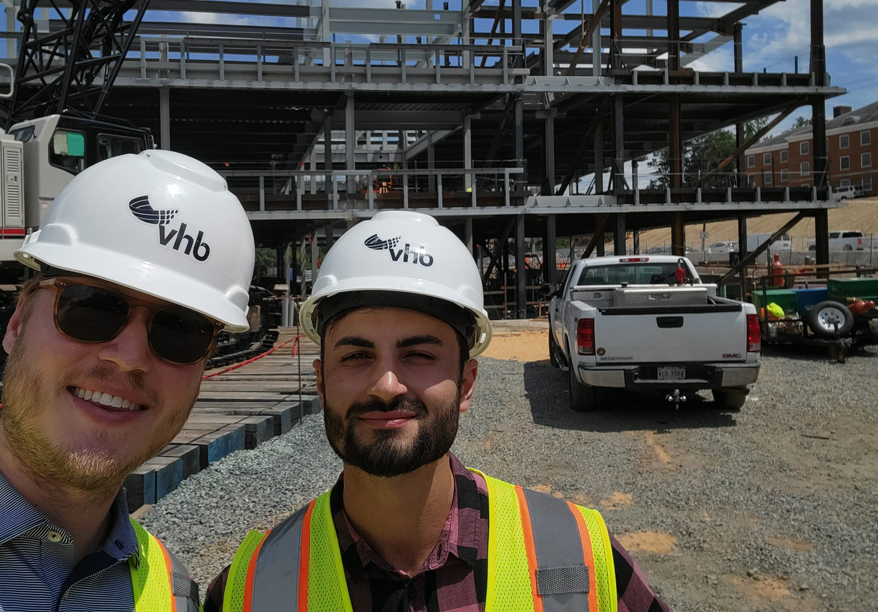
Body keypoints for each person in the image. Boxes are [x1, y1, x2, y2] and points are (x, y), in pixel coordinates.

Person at [203, 210, 670, 612]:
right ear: (321, 384)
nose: (386, 385)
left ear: (466, 384)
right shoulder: (247, 592)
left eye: (419, 355)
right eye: (356, 356)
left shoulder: (582, 555)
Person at [0, 150, 255, 611]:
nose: (128, 359)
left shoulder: (171, 593)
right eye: (91, 307)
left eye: (181, 331)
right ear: (17, 323)